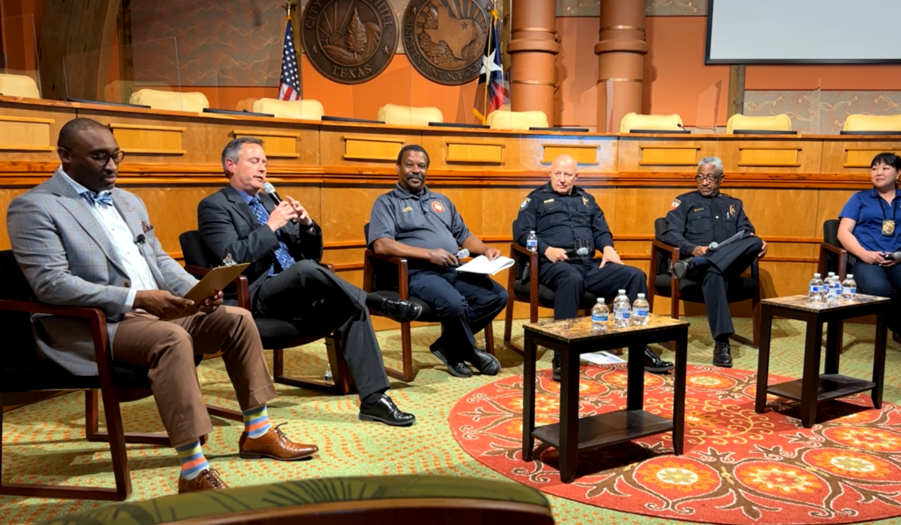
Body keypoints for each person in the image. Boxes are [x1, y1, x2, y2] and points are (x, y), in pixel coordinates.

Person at [6, 118, 319, 493]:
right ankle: (193, 469)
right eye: (99, 157)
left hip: (154, 312)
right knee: (171, 339)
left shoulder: (128, 200)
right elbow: (51, 284)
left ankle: (258, 431)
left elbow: (159, 261)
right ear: (66, 156)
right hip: (96, 324)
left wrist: (197, 291)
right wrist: (136, 298)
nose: (111, 166)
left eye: (116, 155)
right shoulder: (34, 206)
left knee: (236, 319)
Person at [198, 137, 420, 427]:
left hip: (297, 288)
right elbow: (231, 257)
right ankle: (375, 300)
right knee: (308, 271)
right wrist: (271, 226)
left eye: (265, 162)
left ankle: (374, 399)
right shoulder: (214, 206)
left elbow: (310, 254)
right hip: (256, 293)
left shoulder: (269, 201)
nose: (262, 168)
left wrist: (308, 226)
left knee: (349, 306)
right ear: (230, 165)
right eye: (254, 161)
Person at [514, 154, 674, 382]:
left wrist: (607, 247)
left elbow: (601, 231)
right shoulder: (535, 200)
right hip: (555, 264)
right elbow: (522, 233)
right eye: (557, 173)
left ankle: (640, 350)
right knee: (570, 278)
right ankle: (562, 356)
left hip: (589, 264)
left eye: (567, 175)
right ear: (549, 174)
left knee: (634, 276)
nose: (561, 179)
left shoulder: (587, 200)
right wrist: (546, 248)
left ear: (576, 177)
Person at [367, 145, 505, 379]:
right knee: (455, 304)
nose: (415, 170)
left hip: (455, 269)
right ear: (398, 167)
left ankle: (449, 346)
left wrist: (484, 249)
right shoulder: (387, 202)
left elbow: (464, 236)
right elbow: (381, 244)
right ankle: (467, 351)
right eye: (409, 164)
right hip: (418, 272)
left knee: (496, 295)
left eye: (421, 166)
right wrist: (429, 254)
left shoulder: (441, 200)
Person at [661, 156, 767, 368]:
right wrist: (692, 249)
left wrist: (757, 241)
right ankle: (722, 344)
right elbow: (668, 234)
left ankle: (700, 262)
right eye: (700, 178)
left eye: (710, 178)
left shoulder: (734, 205)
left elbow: (746, 233)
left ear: (721, 179)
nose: (704, 182)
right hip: (697, 261)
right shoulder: (684, 202)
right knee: (714, 274)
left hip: (716, 263)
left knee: (755, 240)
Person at [837, 152, 901, 367]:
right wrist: (865, 254)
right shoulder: (859, 198)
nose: (878, 173)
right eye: (874, 168)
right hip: (866, 259)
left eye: (885, 168)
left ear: (898, 173)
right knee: (879, 291)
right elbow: (843, 232)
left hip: (899, 258)